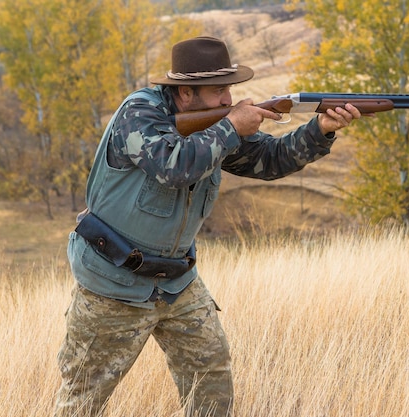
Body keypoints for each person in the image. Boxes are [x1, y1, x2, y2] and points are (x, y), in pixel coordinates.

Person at [54, 36, 361, 417]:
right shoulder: (139, 112)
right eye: (219, 91)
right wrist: (232, 128)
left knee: (211, 382)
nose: (227, 100)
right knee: (83, 398)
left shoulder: (215, 124)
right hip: (112, 281)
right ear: (185, 93)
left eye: (229, 89)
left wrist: (320, 130)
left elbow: (270, 159)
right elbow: (173, 166)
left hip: (177, 281)